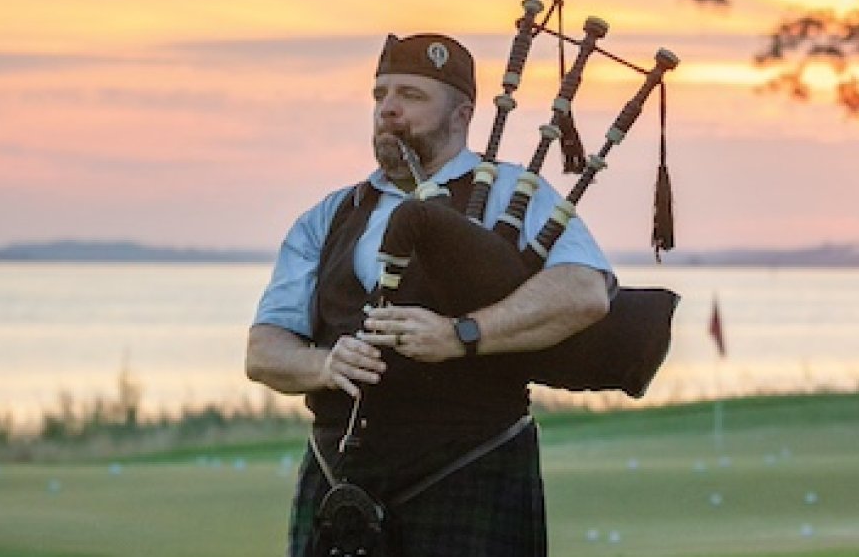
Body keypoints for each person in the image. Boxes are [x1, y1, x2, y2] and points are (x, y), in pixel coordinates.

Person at [246, 33, 613, 557]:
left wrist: (463, 334)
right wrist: (326, 366)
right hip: (341, 479)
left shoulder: (513, 193)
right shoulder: (330, 216)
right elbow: (263, 352)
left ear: (462, 115)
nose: (388, 110)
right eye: (380, 96)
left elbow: (584, 292)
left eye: (411, 96)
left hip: (473, 468)